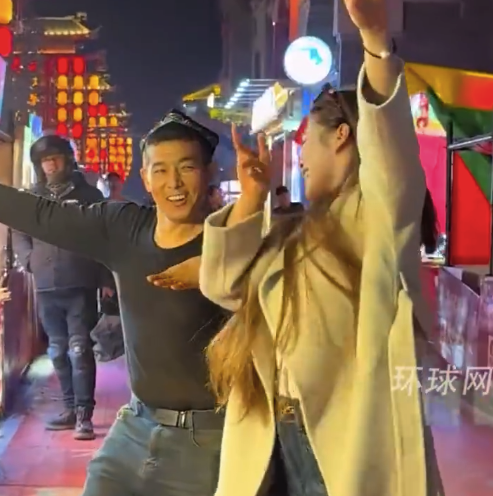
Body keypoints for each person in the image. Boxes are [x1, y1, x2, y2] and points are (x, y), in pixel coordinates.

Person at [198, 0, 444, 495]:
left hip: (340, 443)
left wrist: (375, 45)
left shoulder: (373, 220)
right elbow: (221, 286)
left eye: (307, 139)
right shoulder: (296, 230)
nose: (301, 155)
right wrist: (251, 199)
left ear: (342, 136)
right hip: (273, 437)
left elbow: (392, 159)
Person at [1, 110, 227, 496]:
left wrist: (217, 265)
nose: (173, 183)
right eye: (160, 170)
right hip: (135, 425)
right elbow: (41, 215)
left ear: (209, 173)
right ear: (145, 178)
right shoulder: (124, 227)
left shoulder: (233, 243)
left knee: (76, 347)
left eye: (187, 168)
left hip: (208, 438)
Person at [13, 135, 110, 440]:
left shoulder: (89, 195)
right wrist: (29, 260)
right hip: (46, 286)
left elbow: (105, 236)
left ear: (68, 160)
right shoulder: (32, 197)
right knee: (57, 351)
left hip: (80, 283)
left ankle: (84, 415)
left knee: (80, 350)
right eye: (45, 161)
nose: (51, 165)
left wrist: (106, 278)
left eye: (55, 159)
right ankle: (68, 408)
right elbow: (19, 231)